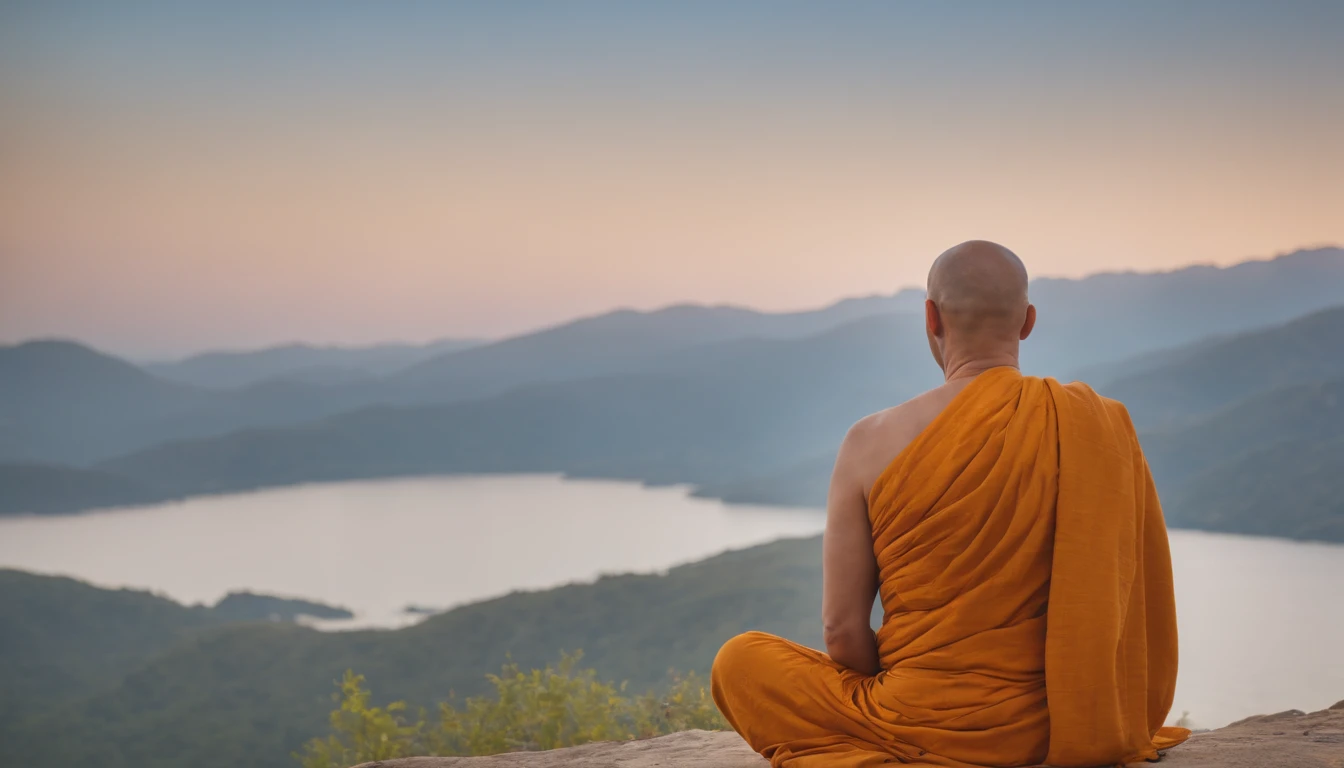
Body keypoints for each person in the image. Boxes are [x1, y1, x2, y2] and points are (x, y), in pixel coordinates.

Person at [710, 240, 1190, 767]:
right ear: (1028, 322)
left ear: (930, 318)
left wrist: (924, 709)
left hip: (915, 720)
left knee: (740, 660)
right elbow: (1131, 609)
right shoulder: (1093, 426)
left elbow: (842, 634)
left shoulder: (869, 441)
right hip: (1062, 729)